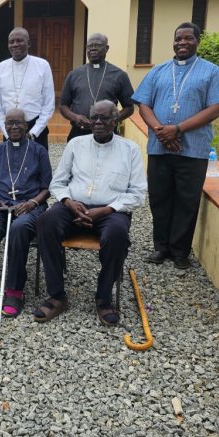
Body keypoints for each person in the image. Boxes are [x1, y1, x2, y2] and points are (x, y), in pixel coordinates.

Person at [132, 22, 219, 269]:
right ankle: (161, 248)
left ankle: (180, 252)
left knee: (186, 201)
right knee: (159, 198)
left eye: (188, 38)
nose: (182, 43)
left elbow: (214, 109)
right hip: (159, 148)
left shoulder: (211, 72)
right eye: (178, 39)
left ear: (197, 41)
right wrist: (161, 131)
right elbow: (143, 104)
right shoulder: (158, 71)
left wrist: (177, 129)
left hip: (192, 150)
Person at [34, 100, 146, 325]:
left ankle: (104, 298)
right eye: (94, 117)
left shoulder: (130, 149)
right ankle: (56, 295)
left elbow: (138, 193)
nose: (97, 122)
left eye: (104, 118)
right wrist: (68, 202)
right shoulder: (76, 144)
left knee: (117, 235)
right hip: (74, 206)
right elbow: (58, 182)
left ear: (115, 121)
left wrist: (105, 210)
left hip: (111, 210)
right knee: (46, 221)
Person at [0, 109, 51, 318]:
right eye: (9, 123)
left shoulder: (39, 151)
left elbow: (47, 188)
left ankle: (14, 291)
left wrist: (32, 203)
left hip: (30, 206)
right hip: (2, 205)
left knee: (19, 228)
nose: (13, 127)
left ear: (26, 125)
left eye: (18, 123)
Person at [60, 33, 134, 141]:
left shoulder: (119, 75)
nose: (93, 49)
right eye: (90, 46)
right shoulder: (74, 74)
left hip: (108, 133)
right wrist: (76, 117)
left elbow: (129, 107)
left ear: (106, 48)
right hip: (79, 132)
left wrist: (111, 119)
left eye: (97, 45)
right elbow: (63, 106)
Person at [0, 27, 55, 150]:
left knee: (37, 167)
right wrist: (7, 133)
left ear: (29, 43)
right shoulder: (1, 67)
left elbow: (48, 104)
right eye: (11, 42)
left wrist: (34, 132)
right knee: (11, 167)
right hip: (10, 129)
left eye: (19, 41)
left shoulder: (42, 65)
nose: (15, 44)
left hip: (35, 127)